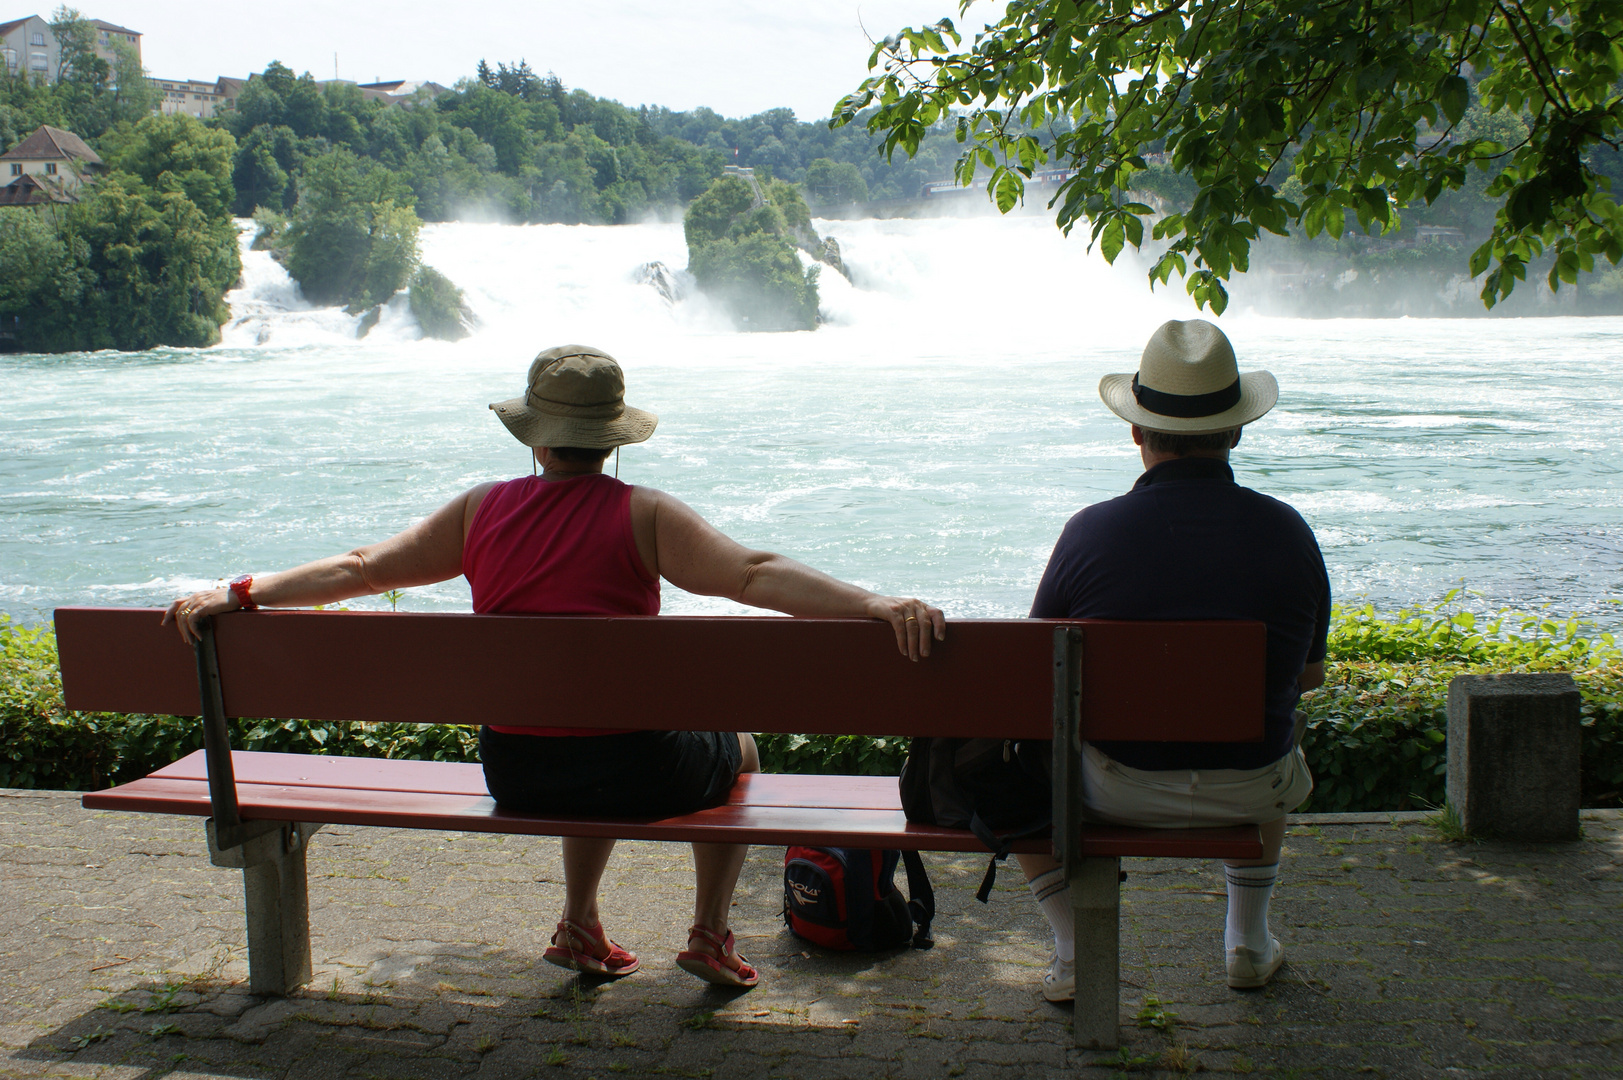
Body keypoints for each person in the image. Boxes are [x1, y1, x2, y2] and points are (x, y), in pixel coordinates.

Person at [163, 344, 946, 991]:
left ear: (535, 437)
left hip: (520, 769)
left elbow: (366, 567)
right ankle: (708, 933)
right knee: (735, 746)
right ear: (612, 439)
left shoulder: (479, 511)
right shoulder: (644, 514)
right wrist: (870, 602)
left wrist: (244, 590)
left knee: (572, 728)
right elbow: (752, 574)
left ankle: (579, 924)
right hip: (637, 772)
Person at [1019, 319, 1329, 1001]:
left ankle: (1074, 949)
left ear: (1135, 431)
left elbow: (1033, 676)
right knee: (1276, 729)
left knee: (1007, 762)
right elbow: (1304, 679)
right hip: (1253, 784)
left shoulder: (1088, 532)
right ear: (1238, 430)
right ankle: (1247, 939)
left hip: (1111, 788)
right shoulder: (1287, 531)